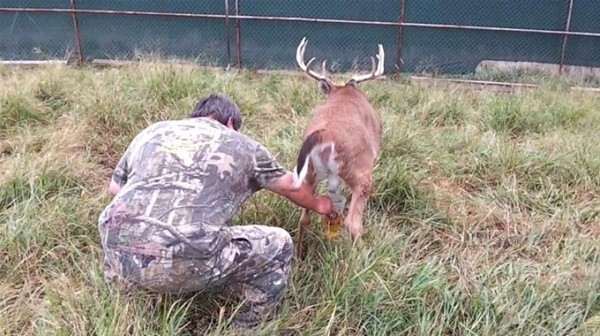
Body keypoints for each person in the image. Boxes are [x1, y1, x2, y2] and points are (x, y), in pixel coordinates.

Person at [97, 93, 335, 330]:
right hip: (185, 256)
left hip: (118, 247)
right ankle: (245, 327)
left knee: (122, 233)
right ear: (231, 123)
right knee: (280, 243)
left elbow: (115, 188)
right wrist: (319, 204)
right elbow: (292, 186)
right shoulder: (241, 143)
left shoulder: (152, 132)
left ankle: (130, 311)